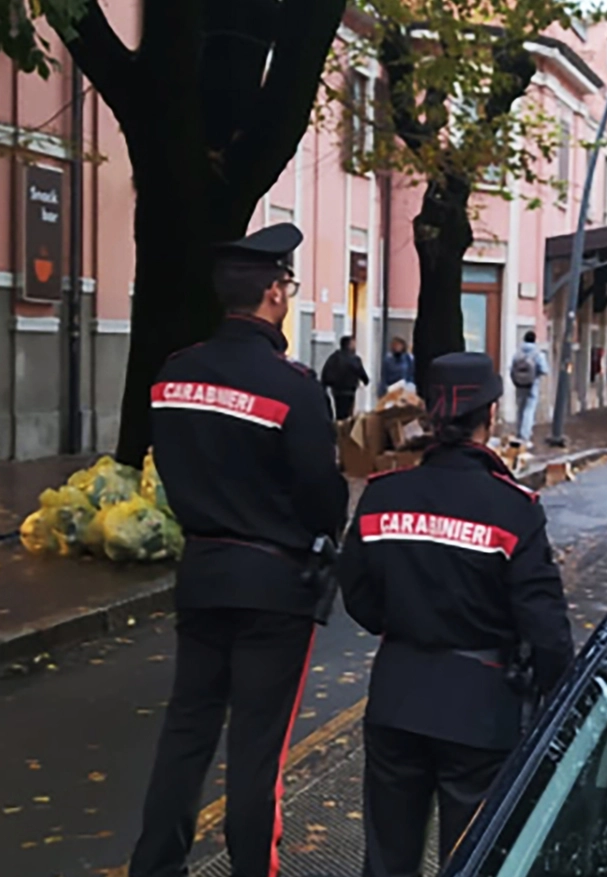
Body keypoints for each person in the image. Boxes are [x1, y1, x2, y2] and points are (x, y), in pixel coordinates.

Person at [131, 223, 350, 877]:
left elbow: (170, 465)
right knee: (257, 747)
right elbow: (322, 495)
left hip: (201, 574)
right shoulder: (293, 387)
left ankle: (155, 865)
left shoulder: (174, 374)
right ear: (276, 293)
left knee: (186, 734)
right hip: (276, 588)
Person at [337, 351, 573, 877]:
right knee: (472, 859)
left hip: (397, 697)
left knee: (387, 858)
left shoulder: (381, 498)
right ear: (489, 417)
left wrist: (398, 625)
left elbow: (355, 592)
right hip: (481, 709)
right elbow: (547, 628)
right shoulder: (513, 509)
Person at [509, 330, 549, 443]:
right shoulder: (537, 354)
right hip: (532, 385)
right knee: (529, 409)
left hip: (519, 385)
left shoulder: (517, 353)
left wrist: (515, 380)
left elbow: (511, 369)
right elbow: (544, 370)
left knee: (520, 409)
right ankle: (525, 435)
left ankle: (518, 432)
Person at [321, 335, 370, 419]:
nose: (355, 346)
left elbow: (325, 373)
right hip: (349, 391)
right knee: (348, 414)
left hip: (337, 391)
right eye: (353, 344)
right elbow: (361, 373)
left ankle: (339, 428)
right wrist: (366, 381)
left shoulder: (334, 357)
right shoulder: (354, 359)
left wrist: (324, 386)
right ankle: (345, 429)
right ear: (349, 345)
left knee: (339, 412)